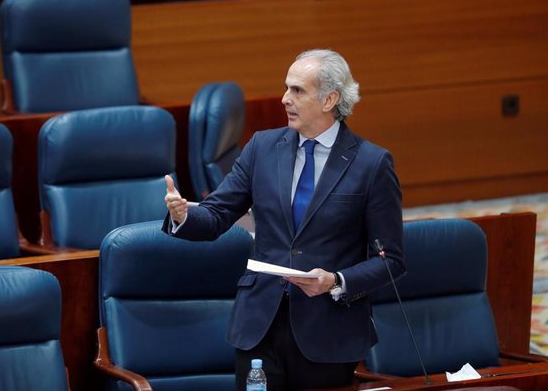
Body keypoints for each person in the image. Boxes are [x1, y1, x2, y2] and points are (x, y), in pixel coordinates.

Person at [163, 49, 405, 390]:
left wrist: (335, 280)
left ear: (329, 99)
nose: (284, 99)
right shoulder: (262, 147)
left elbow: (390, 261)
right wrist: (185, 216)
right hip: (259, 324)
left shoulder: (371, 163)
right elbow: (217, 215)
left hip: (327, 330)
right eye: (286, 88)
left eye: (297, 90)